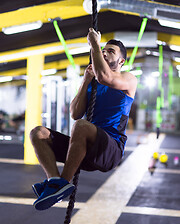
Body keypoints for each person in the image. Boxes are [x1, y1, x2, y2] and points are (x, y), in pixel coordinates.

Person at [30, 28, 137, 210]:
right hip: (86, 149)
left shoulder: (128, 79)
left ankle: (63, 183)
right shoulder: (93, 84)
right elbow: (74, 113)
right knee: (37, 133)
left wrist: (95, 43)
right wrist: (86, 80)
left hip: (110, 150)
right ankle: (54, 181)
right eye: (103, 51)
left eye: (110, 52)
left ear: (121, 61)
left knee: (81, 126)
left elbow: (105, 76)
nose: (104, 53)